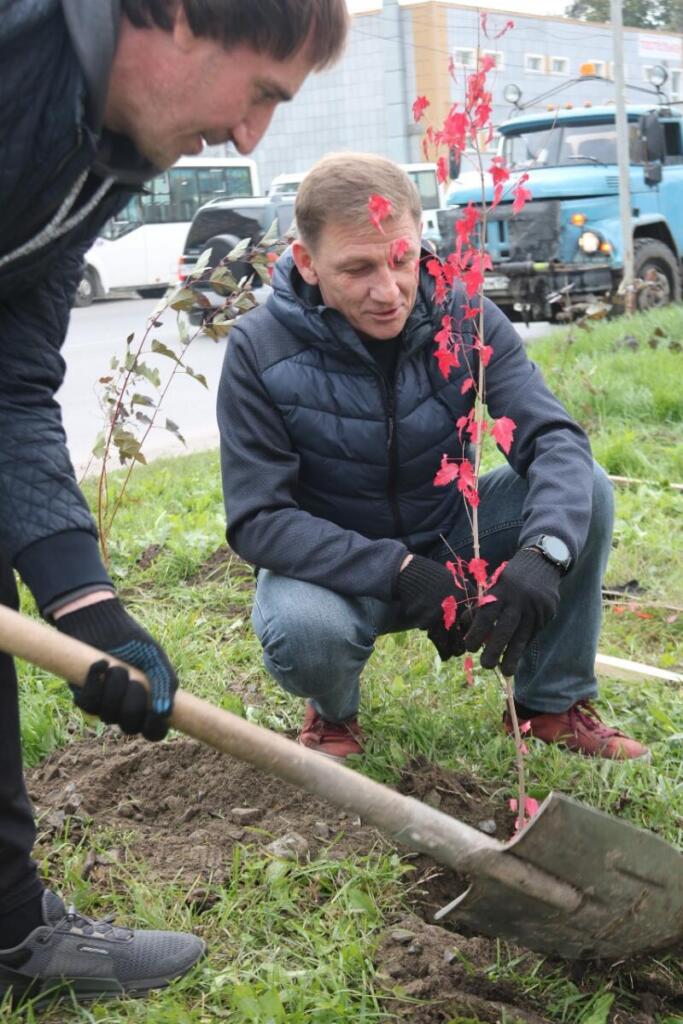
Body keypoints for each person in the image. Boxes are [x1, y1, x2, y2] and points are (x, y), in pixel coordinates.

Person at [0, 0, 348, 1005]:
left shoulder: (100, 154)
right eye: (262, 94)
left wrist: (86, 609)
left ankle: (10, 933)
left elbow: (13, 377)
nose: (250, 136)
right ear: (186, 18)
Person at [217, 152, 649, 768]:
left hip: (452, 532)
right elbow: (258, 519)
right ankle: (334, 715)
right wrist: (399, 572)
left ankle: (548, 705)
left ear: (419, 240)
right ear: (307, 263)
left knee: (588, 493)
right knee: (306, 631)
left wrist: (541, 554)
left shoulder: (464, 311)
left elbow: (552, 437)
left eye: (401, 259)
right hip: (337, 568)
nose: (388, 290)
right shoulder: (260, 350)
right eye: (358, 269)